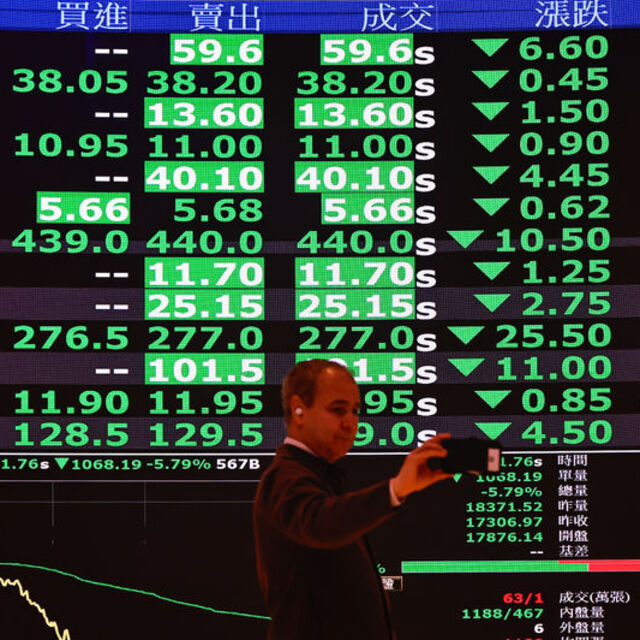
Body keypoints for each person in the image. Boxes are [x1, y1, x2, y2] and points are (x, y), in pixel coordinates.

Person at [253, 359, 452, 640]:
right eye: (337, 410)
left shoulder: (321, 476)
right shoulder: (285, 477)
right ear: (298, 410)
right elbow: (319, 523)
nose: (350, 423)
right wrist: (395, 489)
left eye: (355, 411)